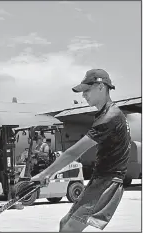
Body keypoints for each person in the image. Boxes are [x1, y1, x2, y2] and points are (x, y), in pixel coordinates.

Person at [31, 69, 131, 232]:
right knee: (64, 224)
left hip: (107, 181)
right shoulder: (105, 114)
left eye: (86, 90)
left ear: (100, 86)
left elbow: (74, 152)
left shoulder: (109, 117)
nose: (83, 95)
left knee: (69, 229)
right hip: (100, 178)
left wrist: (45, 174)